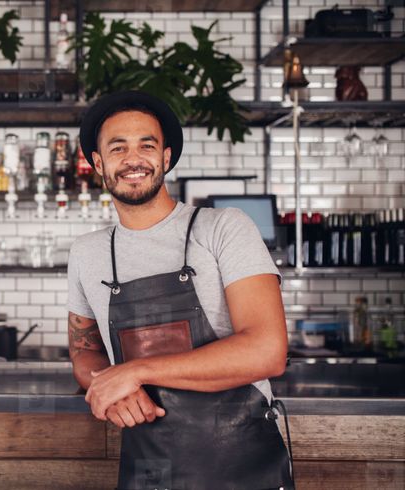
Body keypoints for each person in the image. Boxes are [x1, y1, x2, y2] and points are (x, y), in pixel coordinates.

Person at [67, 90, 294, 490]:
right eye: (118, 148)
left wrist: (133, 372)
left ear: (166, 158)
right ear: (98, 163)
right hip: (149, 472)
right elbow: (85, 350)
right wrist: (108, 387)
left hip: (245, 468)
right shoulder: (87, 253)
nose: (133, 159)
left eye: (146, 146)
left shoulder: (223, 228)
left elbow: (267, 350)